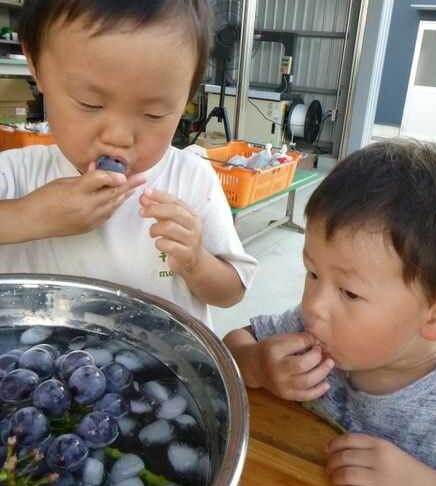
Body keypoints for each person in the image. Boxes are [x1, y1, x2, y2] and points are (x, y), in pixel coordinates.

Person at [224, 140, 436, 486]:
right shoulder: (308, 332)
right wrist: (256, 363)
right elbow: (231, 349)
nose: (314, 306)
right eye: (312, 274)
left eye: (349, 292)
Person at [0, 0, 257, 327]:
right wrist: (30, 216)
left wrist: (195, 261)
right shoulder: (16, 174)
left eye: (154, 114)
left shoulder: (191, 181)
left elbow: (232, 291)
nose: (119, 137)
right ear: (35, 64)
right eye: (90, 103)